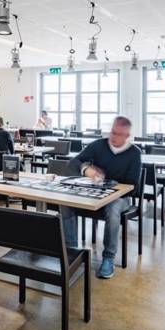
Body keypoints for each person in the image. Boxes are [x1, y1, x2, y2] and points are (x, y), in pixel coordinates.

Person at [63, 115, 142, 279]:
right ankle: (71, 251)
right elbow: (74, 162)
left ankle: (108, 257)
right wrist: (86, 170)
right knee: (66, 202)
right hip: (95, 193)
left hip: (121, 198)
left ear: (127, 136)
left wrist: (111, 184)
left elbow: (133, 187)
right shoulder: (99, 145)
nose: (113, 137)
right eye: (112, 132)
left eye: (119, 134)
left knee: (113, 210)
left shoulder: (134, 153)